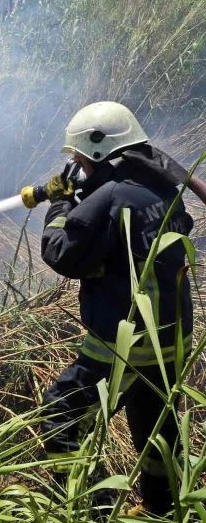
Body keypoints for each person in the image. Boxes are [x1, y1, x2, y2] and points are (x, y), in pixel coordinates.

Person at [38, 101, 194, 516]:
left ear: (101, 152)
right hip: (172, 342)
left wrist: (59, 205)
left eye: (83, 162)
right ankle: (162, 509)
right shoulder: (162, 189)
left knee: (61, 417)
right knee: (157, 434)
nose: (81, 169)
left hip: (126, 345)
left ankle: (94, 508)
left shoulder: (111, 195)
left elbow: (61, 254)